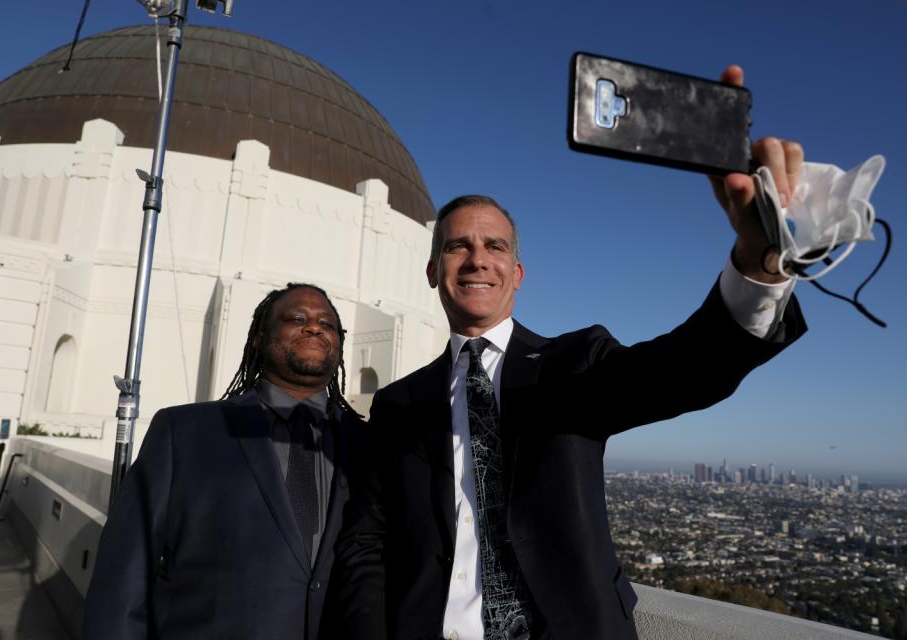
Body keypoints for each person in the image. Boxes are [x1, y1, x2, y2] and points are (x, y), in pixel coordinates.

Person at [332, 66, 807, 640]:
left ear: (517, 273)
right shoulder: (398, 404)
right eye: (459, 245)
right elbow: (368, 540)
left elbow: (680, 373)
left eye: (495, 247)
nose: (478, 259)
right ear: (435, 271)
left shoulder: (572, 365)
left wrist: (757, 267)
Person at [84, 283, 364, 640]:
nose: (314, 327)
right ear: (259, 339)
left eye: (327, 324)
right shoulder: (183, 432)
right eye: (297, 318)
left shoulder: (369, 445)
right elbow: (124, 571)